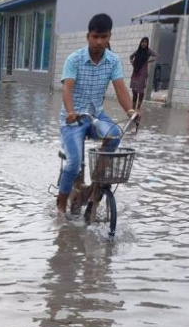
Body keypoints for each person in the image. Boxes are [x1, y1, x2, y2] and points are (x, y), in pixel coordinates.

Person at [56, 13, 137, 214]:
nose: (99, 42)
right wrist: (71, 112)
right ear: (88, 36)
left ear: (109, 37)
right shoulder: (74, 59)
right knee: (73, 163)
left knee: (114, 134)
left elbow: (120, 88)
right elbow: (67, 88)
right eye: (95, 37)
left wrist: (130, 110)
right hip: (73, 119)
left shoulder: (113, 61)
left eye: (103, 37)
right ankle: (60, 204)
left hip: (96, 115)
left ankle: (96, 184)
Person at [128, 37, 156, 113]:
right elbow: (131, 57)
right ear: (140, 43)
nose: (144, 44)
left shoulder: (148, 51)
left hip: (142, 74)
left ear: (147, 43)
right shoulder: (138, 51)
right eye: (142, 42)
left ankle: (138, 108)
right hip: (135, 73)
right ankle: (133, 108)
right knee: (134, 91)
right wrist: (133, 64)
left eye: (146, 42)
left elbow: (156, 56)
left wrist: (148, 61)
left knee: (141, 91)